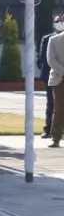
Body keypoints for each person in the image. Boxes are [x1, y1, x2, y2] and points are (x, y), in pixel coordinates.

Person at [37, 16, 64, 138]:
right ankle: (49, 130)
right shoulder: (49, 39)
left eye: (60, 21)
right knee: (52, 104)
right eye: (57, 21)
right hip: (53, 76)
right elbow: (44, 59)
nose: (59, 23)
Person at [47, 17, 64, 148]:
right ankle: (56, 138)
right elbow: (51, 60)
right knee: (59, 109)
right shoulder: (54, 40)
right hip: (59, 79)